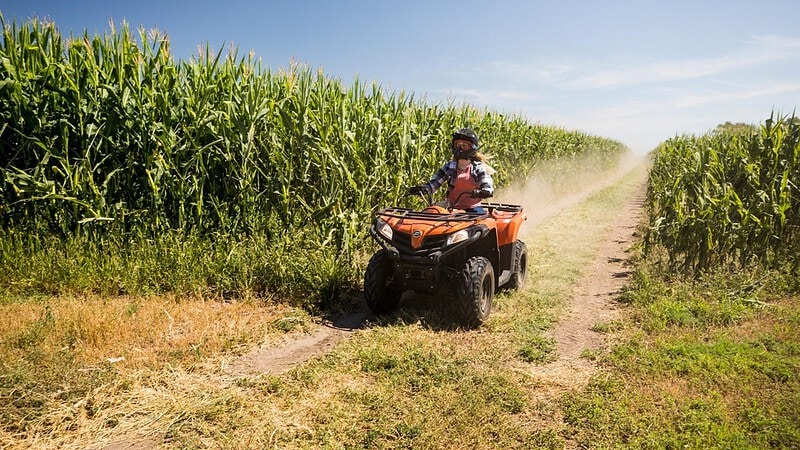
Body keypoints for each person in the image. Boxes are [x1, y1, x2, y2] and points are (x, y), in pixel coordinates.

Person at [409, 128, 494, 213]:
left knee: (479, 222)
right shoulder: (449, 166)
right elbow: (434, 184)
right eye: (458, 145)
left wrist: (485, 191)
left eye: (464, 146)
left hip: (472, 209)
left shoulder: (478, 168)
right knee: (432, 213)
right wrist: (423, 189)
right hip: (451, 208)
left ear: (472, 147)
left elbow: (486, 182)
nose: (460, 149)